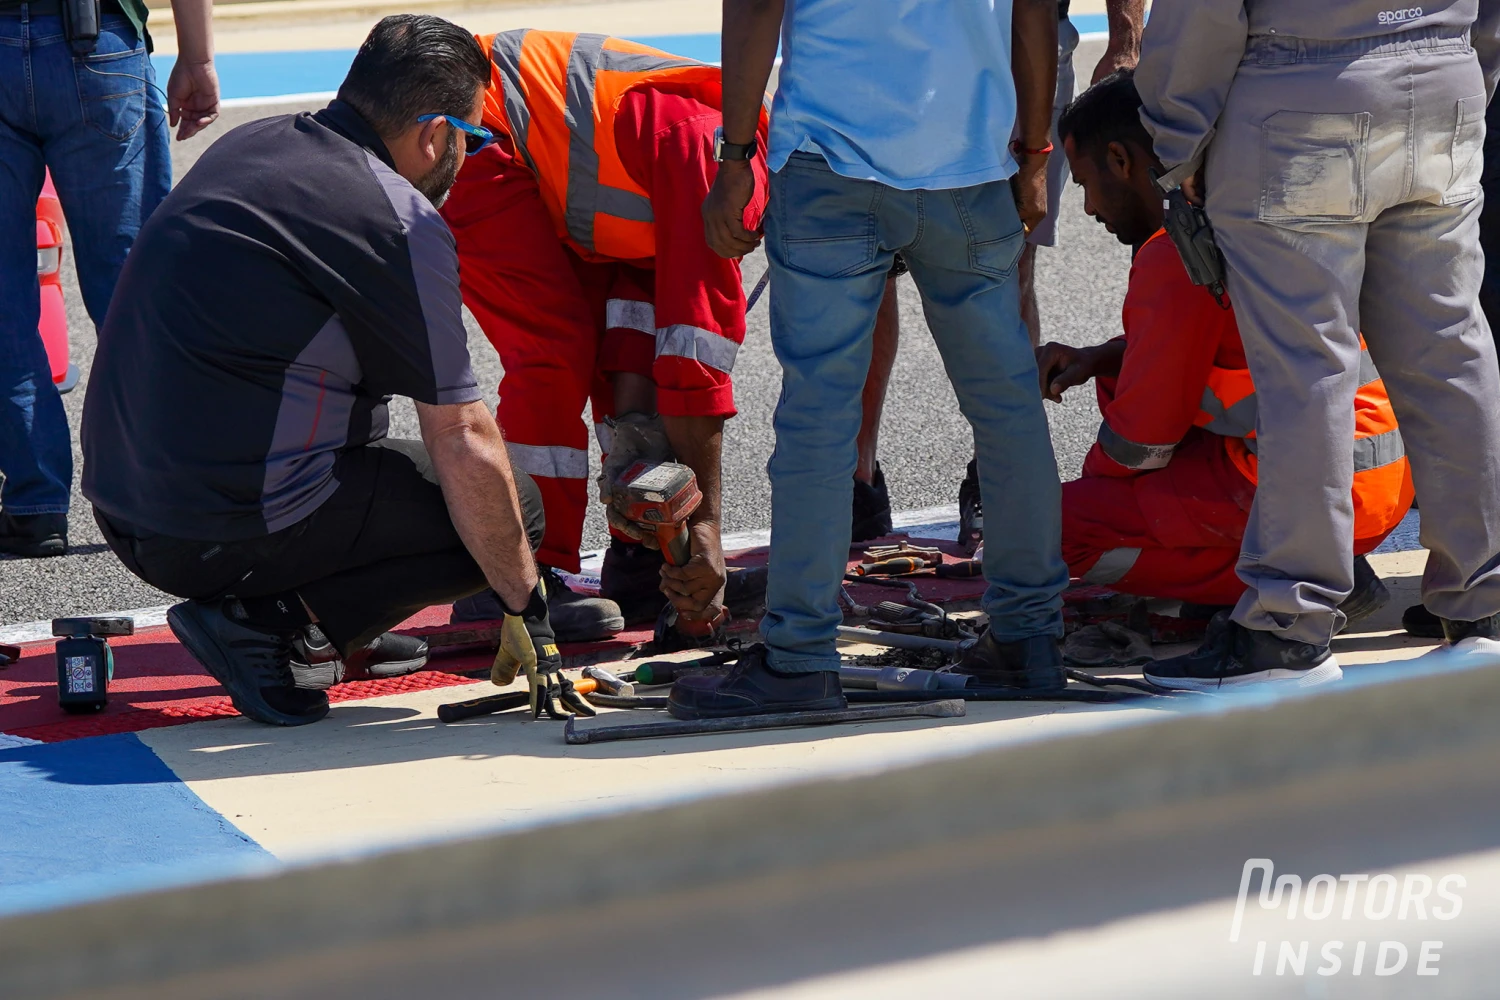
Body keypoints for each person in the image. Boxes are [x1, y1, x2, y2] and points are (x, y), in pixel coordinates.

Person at [82, 16, 580, 728]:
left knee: (355, 437)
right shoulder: (394, 218)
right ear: (434, 135)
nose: (467, 160)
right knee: (515, 511)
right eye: (472, 140)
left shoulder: (254, 143)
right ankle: (276, 625)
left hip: (122, 503)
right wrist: (526, 607)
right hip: (207, 530)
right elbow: (462, 438)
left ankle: (312, 619)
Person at [683, 0, 1071, 719]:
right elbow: (1034, 11)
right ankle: (1028, 635)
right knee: (1007, 407)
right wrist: (1036, 151)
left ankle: (799, 655)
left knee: (819, 420)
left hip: (832, 165)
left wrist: (735, 158)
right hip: (970, 167)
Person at [1134, 1, 1500, 687]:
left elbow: (1199, 17)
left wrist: (1178, 140)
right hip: (1444, 78)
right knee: (1450, 350)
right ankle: (1483, 606)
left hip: (1299, 91)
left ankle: (1288, 623)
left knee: (1308, 368)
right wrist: (1466, 68)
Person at [1038, 74, 1412, 663]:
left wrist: (1093, 492)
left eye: (1085, 183)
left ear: (1121, 158)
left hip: (1313, 486)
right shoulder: (1244, 209)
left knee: (1058, 531)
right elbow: (1223, 349)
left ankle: (1297, 591)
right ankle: (1316, 570)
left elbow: (1142, 440)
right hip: (1370, 480)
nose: (1087, 207)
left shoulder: (1174, 255)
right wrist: (1102, 359)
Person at [440, 29, 770, 642]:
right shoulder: (719, 166)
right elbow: (695, 354)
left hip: (542, 157)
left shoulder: (722, 154)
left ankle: (641, 557)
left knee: (630, 340)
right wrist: (708, 532)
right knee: (555, 349)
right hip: (473, 131)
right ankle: (512, 578)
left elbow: (644, 311)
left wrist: (663, 521)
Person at [851, 0, 1146, 553]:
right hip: (875, 39)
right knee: (863, 269)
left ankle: (998, 476)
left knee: (1009, 257)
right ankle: (855, 480)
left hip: (1015, 38)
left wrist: (1126, 37)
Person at [0, 0, 219, 558]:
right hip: (93, 41)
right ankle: (168, 496)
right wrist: (197, 56)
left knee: (5, 299)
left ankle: (34, 506)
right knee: (134, 291)